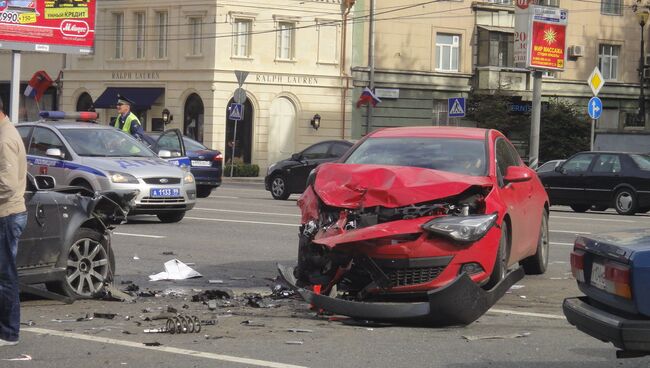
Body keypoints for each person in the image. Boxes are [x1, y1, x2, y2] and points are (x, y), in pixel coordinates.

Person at [0, 98, 28, 347]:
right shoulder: (6, 132)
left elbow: (6, 185)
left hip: (7, 214)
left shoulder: (5, 139)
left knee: (5, 276)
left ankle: (8, 333)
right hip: (8, 213)